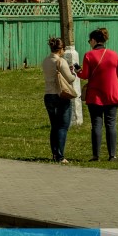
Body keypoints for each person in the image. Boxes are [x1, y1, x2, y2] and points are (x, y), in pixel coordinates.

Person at [79, 27, 118, 161]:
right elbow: (117, 73)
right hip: (111, 93)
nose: (89, 43)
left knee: (96, 124)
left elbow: (85, 75)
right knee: (111, 124)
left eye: (89, 40)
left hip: (95, 95)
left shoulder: (89, 55)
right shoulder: (114, 54)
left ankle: (96, 155)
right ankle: (112, 155)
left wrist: (77, 70)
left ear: (94, 40)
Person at [42, 35, 80, 163]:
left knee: (54, 126)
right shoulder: (61, 61)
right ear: (61, 49)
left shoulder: (46, 61)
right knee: (63, 126)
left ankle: (54, 153)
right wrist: (73, 73)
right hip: (60, 95)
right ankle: (60, 156)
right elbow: (70, 79)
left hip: (48, 95)